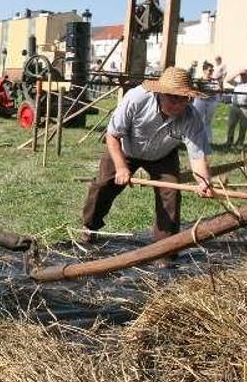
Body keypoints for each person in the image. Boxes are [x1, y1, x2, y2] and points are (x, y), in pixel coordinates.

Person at [80, 67, 213, 265]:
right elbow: (112, 135)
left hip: (163, 155)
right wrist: (122, 167)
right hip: (125, 148)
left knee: (170, 193)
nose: (178, 105)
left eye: (183, 99)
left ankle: (165, 249)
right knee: (104, 185)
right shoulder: (137, 98)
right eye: (172, 99)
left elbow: (197, 157)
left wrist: (204, 182)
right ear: (160, 93)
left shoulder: (191, 118)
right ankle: (90, 227)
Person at [224, 69, 247, 147]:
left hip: (245, 108)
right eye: (241, 75)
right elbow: (228, 80)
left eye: (243, 75)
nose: (242, 77)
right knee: (231, 125)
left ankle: (240, 142)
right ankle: (229, 142)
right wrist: (237, 73)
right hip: (235, 106)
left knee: (243, 126)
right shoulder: (237, 83)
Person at [191, 61, 220, 146]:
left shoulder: (214, 81)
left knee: (207, 122)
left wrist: (214, 89)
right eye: (210, 70)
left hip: (211, 102)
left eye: (212, 70)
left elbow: (218, 89)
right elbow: (195, 90)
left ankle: (208, 141)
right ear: (204, 70)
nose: (211, 72)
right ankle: (195, 140)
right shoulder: (199, 80)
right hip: (200, 101)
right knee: (197, 120)